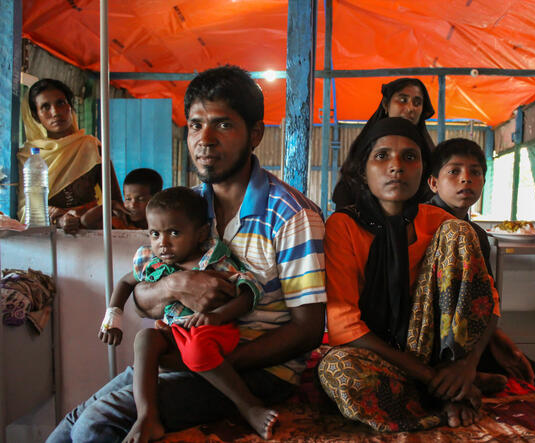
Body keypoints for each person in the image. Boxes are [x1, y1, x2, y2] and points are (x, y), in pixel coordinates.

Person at [46, 65, 326, 443]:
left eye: (223, 125)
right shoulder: (186, 208)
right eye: (195, 125)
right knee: (66, 429)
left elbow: (308, 330)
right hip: (183, 351)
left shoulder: (291, 215)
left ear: (255, 134)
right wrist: (177, 284)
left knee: (94, 428)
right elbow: (144, 301)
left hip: (257, 371)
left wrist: (210, 363)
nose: (204, 139)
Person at [317, 117, 504, 433]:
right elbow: (343, 325)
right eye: (381, 156)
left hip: (437, 354)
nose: (396, 167)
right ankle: (444, 396)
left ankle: (453, 385)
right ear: (363, 170)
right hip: (381, 355)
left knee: (460, 231)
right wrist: (434, 379)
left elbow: (488, 304)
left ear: (423, 171)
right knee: (337, 370)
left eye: (409, 157)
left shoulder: (442, 224)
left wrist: (465, 367)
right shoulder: (343, 226)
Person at [98, 186, 276, 440]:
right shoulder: (153, 262)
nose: (163, 243)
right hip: (175, 333)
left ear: (201, 232)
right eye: (155, 234)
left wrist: (218, 315)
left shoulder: (213, 261)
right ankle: (147, 415)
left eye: (174, 233)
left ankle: (248, 404)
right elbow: (126, 283)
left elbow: (249, 292)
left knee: (196, 350)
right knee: (145, 339)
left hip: (212, 329)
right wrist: (113, 318)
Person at [426, 137, 535, 405]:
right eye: (454, 171)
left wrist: (496, 341)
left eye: (475, 172)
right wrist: (468, 363)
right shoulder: (423, 226)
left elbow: (485, 302)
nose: (466, 179)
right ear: (434, 182)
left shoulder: (477, 234)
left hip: (471, 341)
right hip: (431, 345)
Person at [18, 78, 125, 234]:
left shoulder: (91, 147)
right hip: (48, 238)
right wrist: (59, 218)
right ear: (36, 116)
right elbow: (25, 208)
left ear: (70, 106)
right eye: (45, 107)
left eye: (60, 103)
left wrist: (84, 217)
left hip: (92, 233)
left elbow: (115, 202)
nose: (55, 112)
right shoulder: (29, 156)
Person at [332, 77, 437, 209]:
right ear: (386, 105)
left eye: (417, 103)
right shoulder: (364, 149)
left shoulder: (429, 155)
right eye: (403, 100)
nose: (411, 108)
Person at [82, 167, 163, 229]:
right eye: (128, 199)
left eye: (140, 199)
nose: (132, 205)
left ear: (156, 199)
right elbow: (86, 221)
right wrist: (112, 204)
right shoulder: (121, 221)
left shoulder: (162, 223)